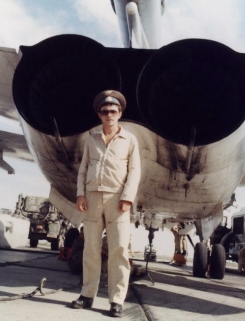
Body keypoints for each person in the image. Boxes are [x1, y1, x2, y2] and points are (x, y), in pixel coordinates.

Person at [70, 90, 141, 318]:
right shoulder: (91, 139)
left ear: (120, 113)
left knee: (119, 250)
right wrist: (80, 194)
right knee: (90, 248)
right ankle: (87, 295)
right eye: (105, 111)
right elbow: (82, 170)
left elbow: (135, 171)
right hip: (92, 199)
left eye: (113, 111)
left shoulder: (129, 140)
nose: (109, 114)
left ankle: (116, 300)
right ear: (99, 115)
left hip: (117, 200)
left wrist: (128, 197)